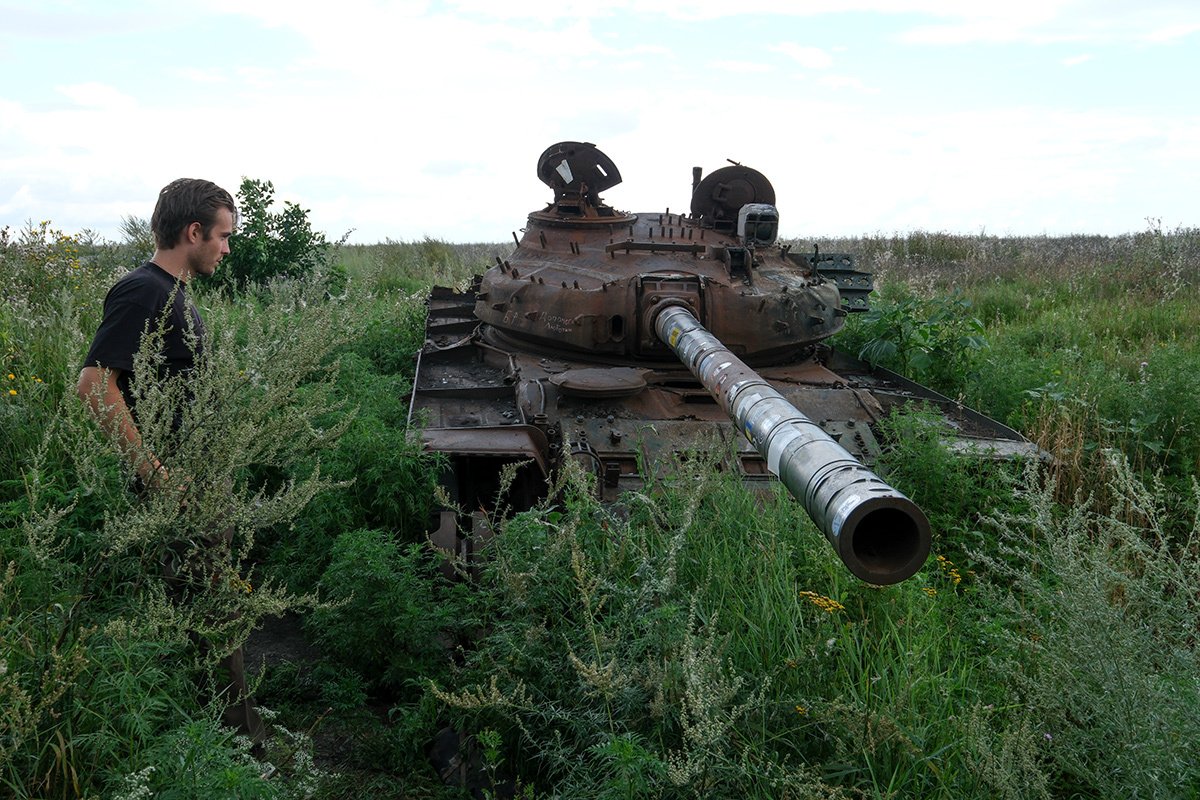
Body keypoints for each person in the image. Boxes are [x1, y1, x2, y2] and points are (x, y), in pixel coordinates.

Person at [77, 178, 266, 747]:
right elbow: (94, 385)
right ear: (193, 232)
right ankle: (237, 747)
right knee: (215, 612)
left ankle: (205, 736)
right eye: (223, 236)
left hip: (197, 476)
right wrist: (154, 473)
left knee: (204, 609)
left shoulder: (170, 291)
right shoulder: (143, 291)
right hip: (180, 484)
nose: (226, 249)